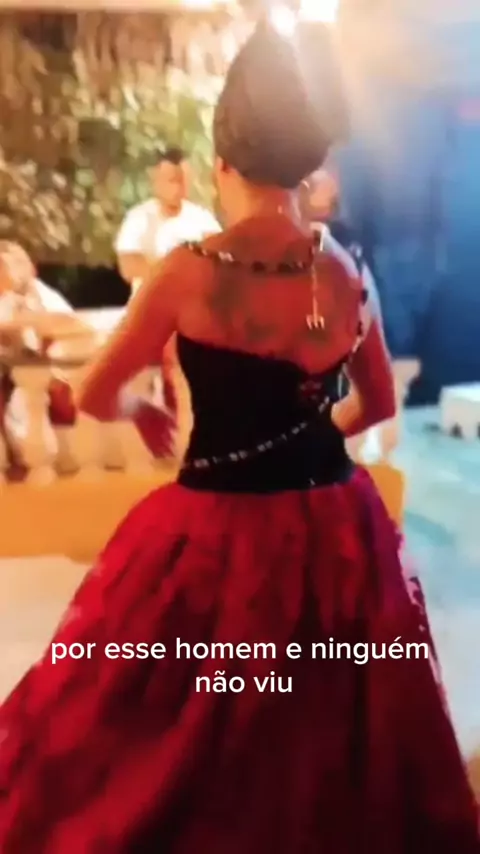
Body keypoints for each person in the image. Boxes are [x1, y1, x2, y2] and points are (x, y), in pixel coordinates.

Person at [0, 16, 478, 854]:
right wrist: (306, 433)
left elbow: (93, 391)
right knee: (330, 705)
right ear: (305, 166)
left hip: (216, 526)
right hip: (337, 524)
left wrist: (145, 413)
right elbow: (375, 407)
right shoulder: (345, 273)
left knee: (178, 710)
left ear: (222, 162)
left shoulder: (188, 271)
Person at [0, 242, 87, 476]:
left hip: (47, 372)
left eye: (6, 266)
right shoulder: (7, 299)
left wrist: (26, 326)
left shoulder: (43, 296)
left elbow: (71, 326)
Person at [115, 146, 221, 293]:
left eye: (183, 181)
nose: (179, 187)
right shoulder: (138, 218)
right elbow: (128, 267)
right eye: (172, 180)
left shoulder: (203, 219)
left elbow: (218, 259)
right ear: (156, 181)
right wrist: (176, 270)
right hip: (150, 301)